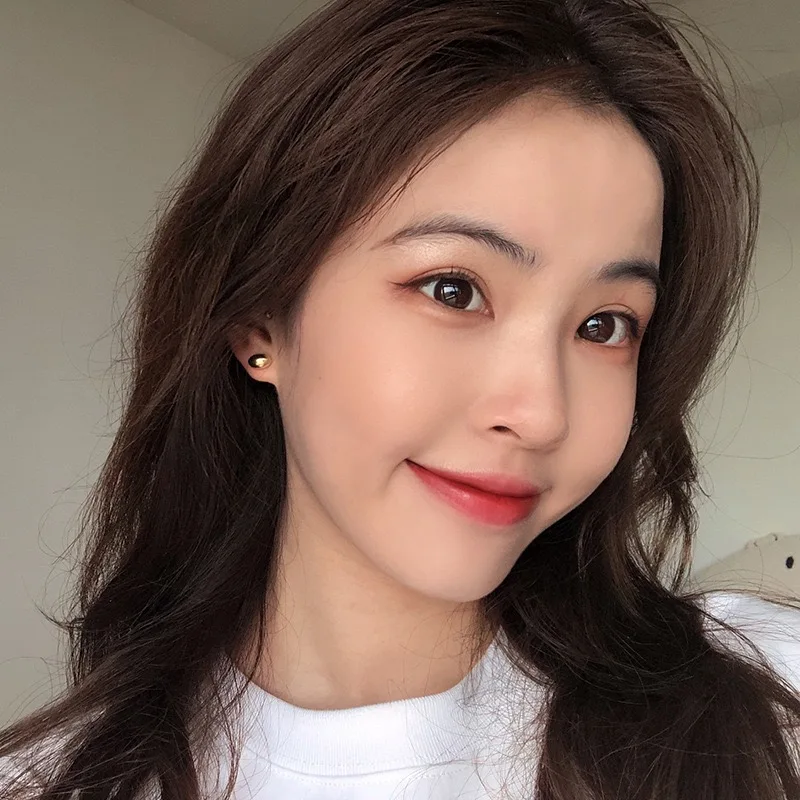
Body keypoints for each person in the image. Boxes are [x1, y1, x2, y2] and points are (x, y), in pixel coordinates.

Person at [1, 0, 799, 798]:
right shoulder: (55, 781)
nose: (541, 415)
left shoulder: (766, 706)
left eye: (605, 325)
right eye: (453, 289)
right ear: (260, 321)